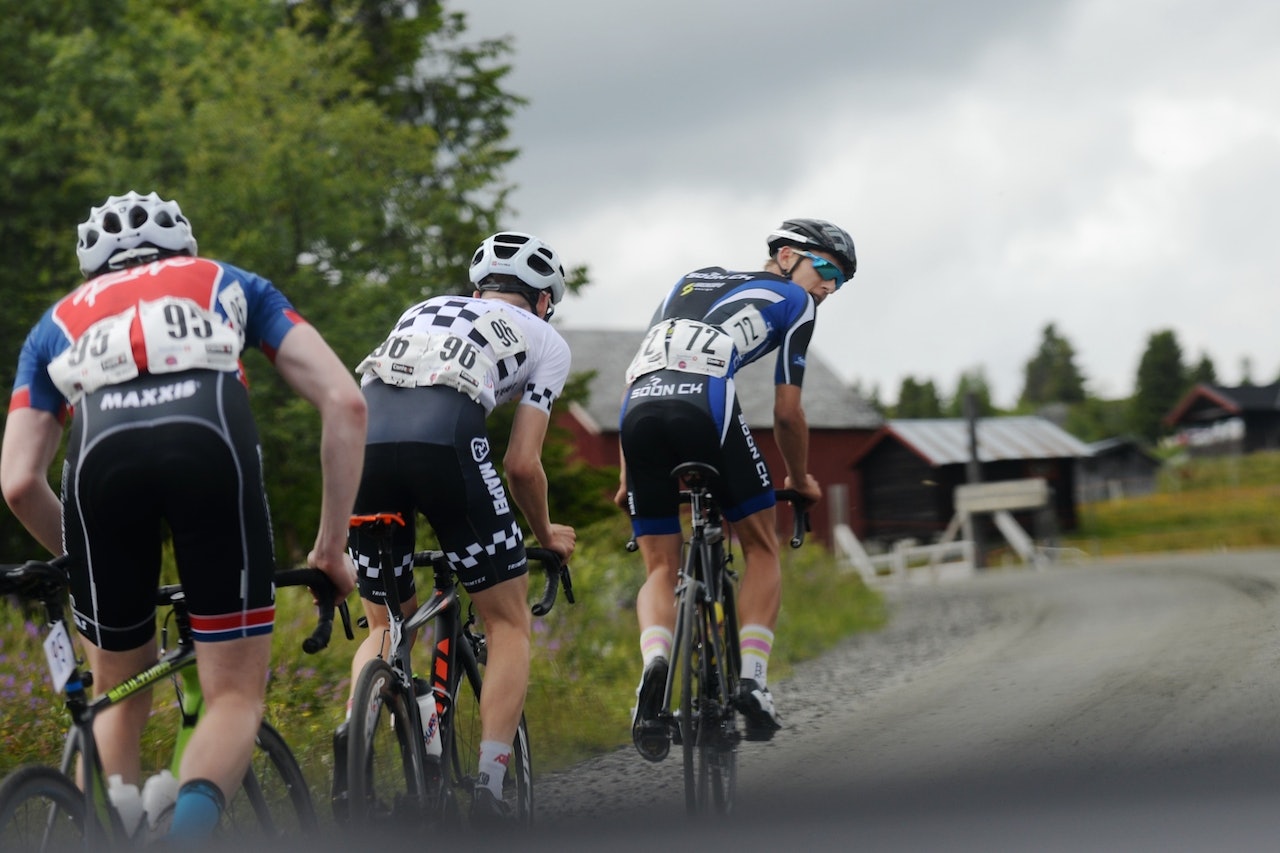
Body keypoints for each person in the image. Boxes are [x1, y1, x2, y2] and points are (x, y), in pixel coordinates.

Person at [0, 190, 366, 840]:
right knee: (232, 694)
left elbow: (19, 481)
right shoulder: (229, 281)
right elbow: (345, 401)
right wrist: (330, 547)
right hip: (210, 436)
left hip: (97, 455)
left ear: (91, 269)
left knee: (119, 687)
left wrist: (92, 566)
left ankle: (104, 835)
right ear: (183, 248)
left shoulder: (55, 322)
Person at [339, 231, 577, 820]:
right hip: (446, 442)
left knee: (386, 622)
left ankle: (357, 731)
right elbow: (521, 464)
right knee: (508, 622)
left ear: (477, 290)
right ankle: (491, 788)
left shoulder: (420, 310)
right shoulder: (546, 338)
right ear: (545, 301)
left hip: (363, 444)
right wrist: (546, 534)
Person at [616, 217, 856, 758]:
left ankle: (654, 663)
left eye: (840, 282)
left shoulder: (691, 279)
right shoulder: (797, 303)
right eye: (826, 270)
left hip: (639, 411)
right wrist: (797, 478)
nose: (829, 288)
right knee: (762, 546)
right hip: (706, 403)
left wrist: (626, 475)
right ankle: (751, 679)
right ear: (788, 254)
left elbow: (638, 371)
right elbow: (788, 411)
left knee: (659, 565)